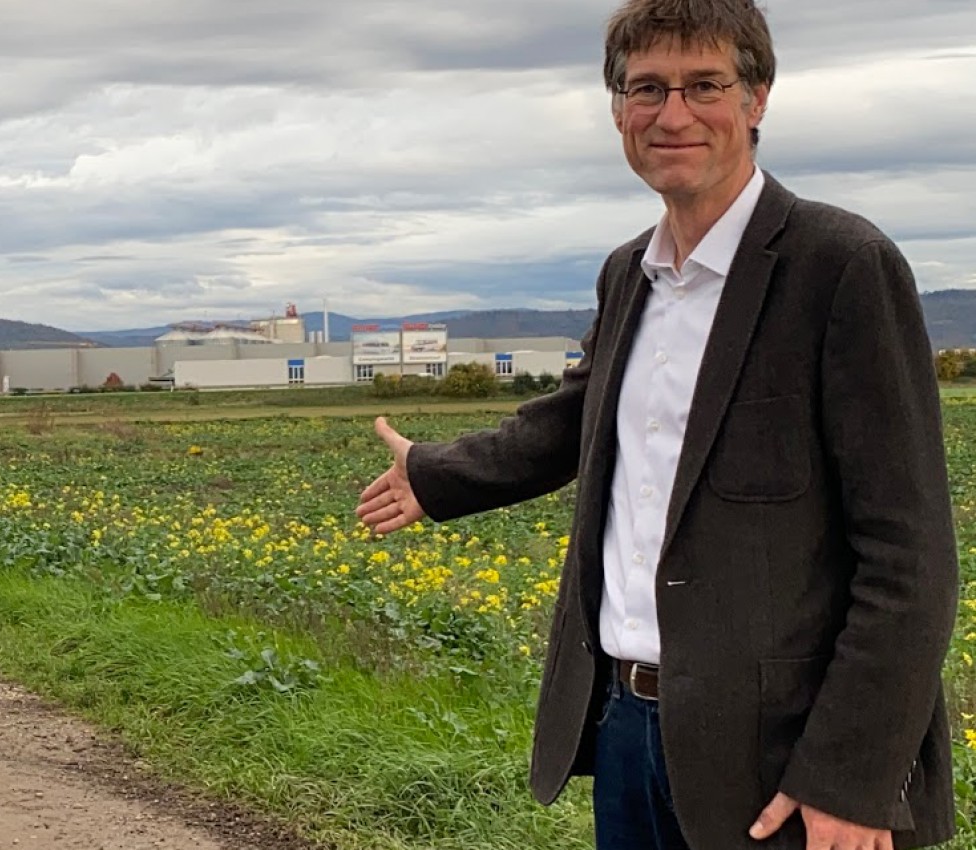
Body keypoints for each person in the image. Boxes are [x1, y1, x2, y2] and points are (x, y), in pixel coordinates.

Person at [356, 2, 958, 848]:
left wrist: (851, 782)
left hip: (785, 762)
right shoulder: (628, 273)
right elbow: (576, 419)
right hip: (630, 733)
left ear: (756, 99)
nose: (673, 114)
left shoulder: (842, 266)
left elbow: (912, 558)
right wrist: (435, 473)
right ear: (617, 111)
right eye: (647, 89)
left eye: (704, 84)